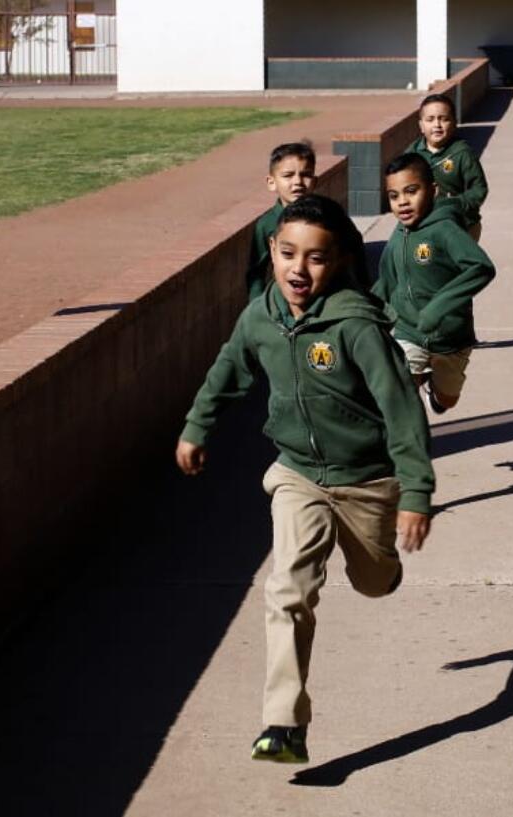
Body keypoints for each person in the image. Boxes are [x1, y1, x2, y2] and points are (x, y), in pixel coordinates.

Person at [177, 194, 435, 764]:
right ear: (271, 250)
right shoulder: (260, 316)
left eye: (316, 258)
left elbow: (402, 411)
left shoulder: (357, 326)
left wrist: (416, 492)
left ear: (340, 259)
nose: (298, 268)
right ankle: (283, 724)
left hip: (367, 480)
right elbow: (228, 369)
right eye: (288, 253)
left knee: (371, 580)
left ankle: (382, 567)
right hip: (297, 474)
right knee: (287, 588)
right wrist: (197, 426)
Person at [373, 153, 496, 416]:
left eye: (411, 191)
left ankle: (435, 392)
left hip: (451, 337)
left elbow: (482, 267)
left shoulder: (445, 228)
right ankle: (404, 447)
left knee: (446, 402)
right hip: (408, 331)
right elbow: (386, 280)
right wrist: (364, 315)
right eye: (394, 196)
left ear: (433, 190)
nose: (402, 202)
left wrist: (439, 307)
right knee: (401, 396)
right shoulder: (398, 234)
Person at [407, 93, 489, 241]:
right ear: (421, 125)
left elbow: (479, 189)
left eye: (444, 119)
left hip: (460, 226)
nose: (437, 125)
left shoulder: (462, 153)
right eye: (430, 120)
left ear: (454, 123)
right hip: (424, 226)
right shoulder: (411, 155)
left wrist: (456, 203)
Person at [246, 142, 318, 298]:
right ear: (272, 183)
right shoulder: (267, 224)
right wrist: (257, 308)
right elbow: (256, 272)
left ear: (315, 181)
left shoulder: (327, 217)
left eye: (305, 174)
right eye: (288, 175)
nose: (298, 182)